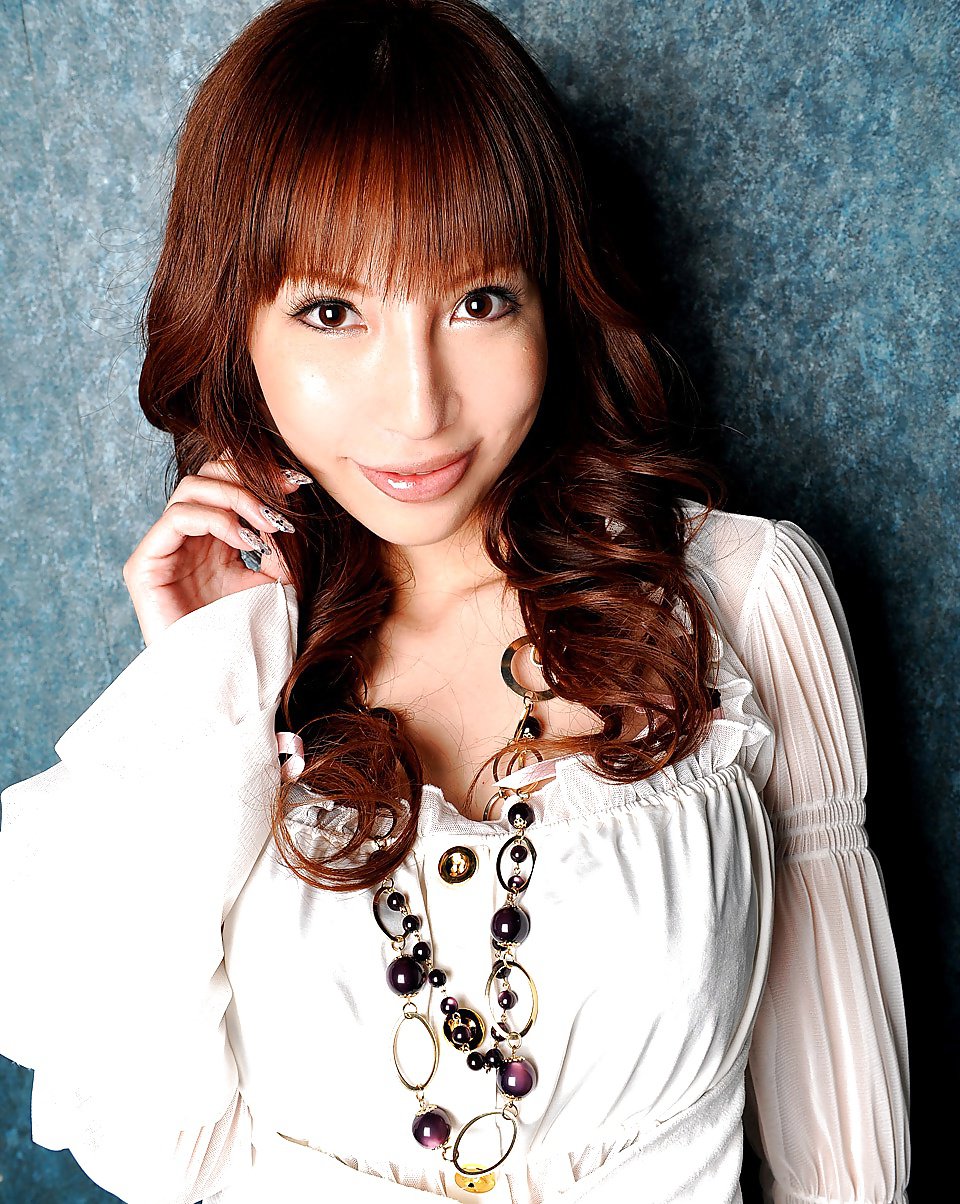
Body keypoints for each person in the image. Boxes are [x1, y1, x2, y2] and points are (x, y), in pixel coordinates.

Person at [0, 0, 911, 1201]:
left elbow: (845, 1156)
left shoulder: (743, 597)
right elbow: (167, 1156)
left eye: (479, 301)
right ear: (238, 330)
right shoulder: (239, 669)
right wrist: (205, 681)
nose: (418, 406)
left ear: (552, 303)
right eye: (333, 312)